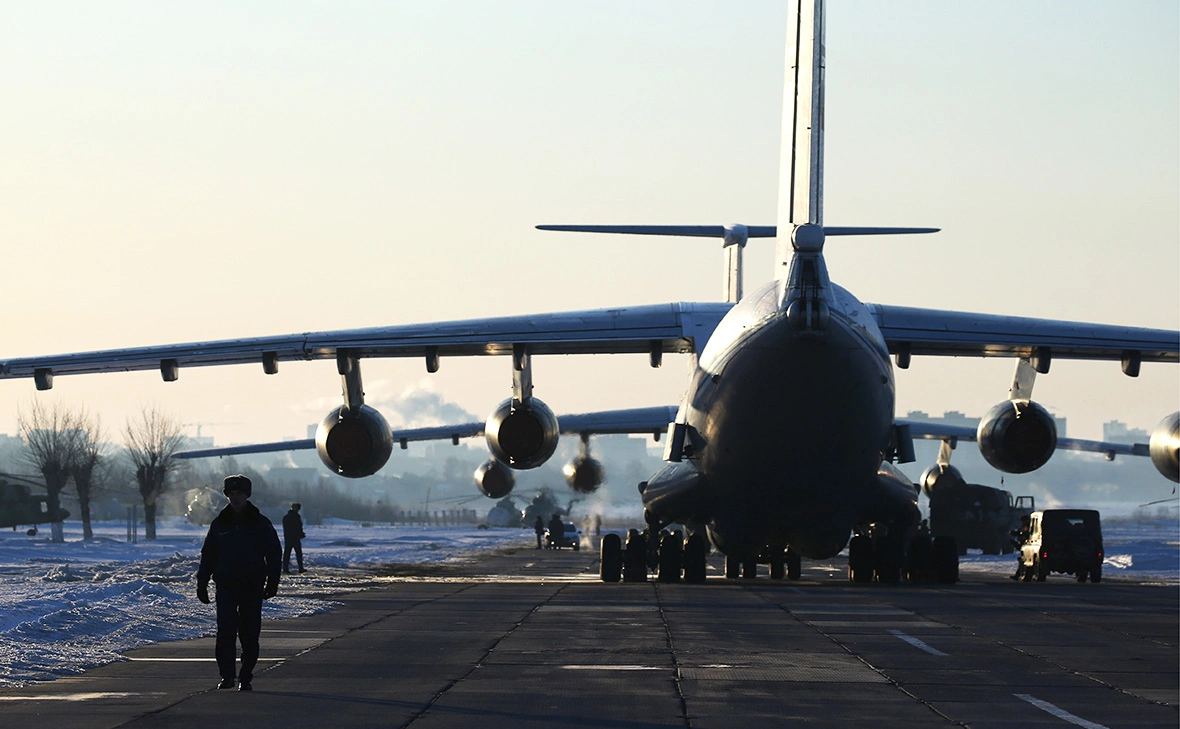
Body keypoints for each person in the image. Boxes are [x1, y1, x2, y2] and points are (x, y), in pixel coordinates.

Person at [196, 474, 282, 691]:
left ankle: (246, 676)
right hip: (226, 585)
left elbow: (273, 554)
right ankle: (227, 676)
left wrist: (273, 582)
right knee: (225, 630)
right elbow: (208, 555)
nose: (235, 498)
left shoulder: (260, 523)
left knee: (249, 633)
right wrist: (202, 583)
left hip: (252, 585)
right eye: (232, 494)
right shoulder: (219, 523)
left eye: (240, 494)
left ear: (247, 495)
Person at [282, 503, 306, 574]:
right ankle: (300, 568)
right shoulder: (296, 517)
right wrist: (301, 534)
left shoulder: (286, 517)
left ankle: (285, 568)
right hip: (295, 537)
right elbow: (299, 527)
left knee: (287, 553)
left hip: (288, 537)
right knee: (298, 553)